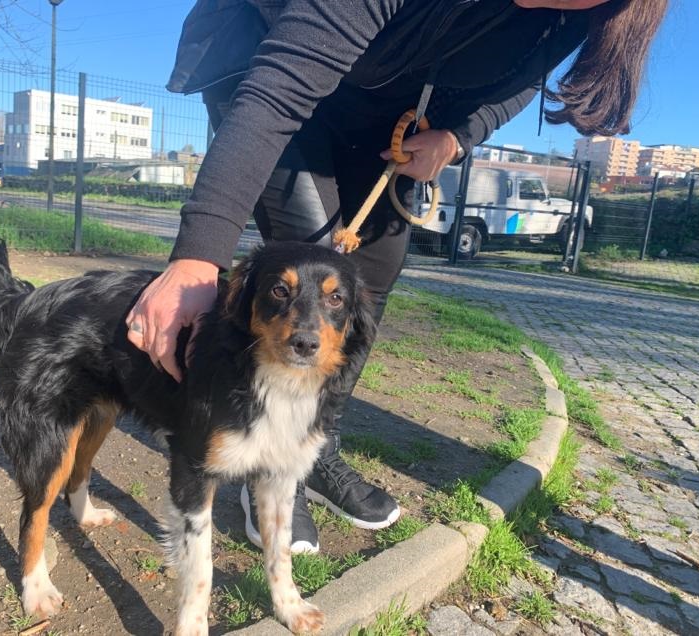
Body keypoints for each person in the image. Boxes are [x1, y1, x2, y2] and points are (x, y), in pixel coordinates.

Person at [127, 0, 668, 552]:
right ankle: (264, 466)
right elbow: (280, 90)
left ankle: (315, 446)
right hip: (277, 63)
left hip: (386, 117)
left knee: (370, 278)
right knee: (316, 262)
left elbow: (522, 78)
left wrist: (458, 136)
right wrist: (197, 257)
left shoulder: (572, 17)